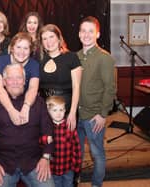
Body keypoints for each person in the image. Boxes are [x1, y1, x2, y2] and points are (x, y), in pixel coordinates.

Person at [0, 63, 55, 187]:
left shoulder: (38, 102)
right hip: (4, 163)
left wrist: (46, 158)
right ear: (4, 82)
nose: (15, 82)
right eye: (10, 78)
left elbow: (49, 131)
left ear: (24, 81)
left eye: (19, 77)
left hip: (33, 162)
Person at [77, 16, 116, 187]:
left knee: (97, 153)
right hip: (76, 115)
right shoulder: (75, 56)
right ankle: (74, 180)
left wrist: (103, 114)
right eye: (83, 31)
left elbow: (110, 88)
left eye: (90, 31)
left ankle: (96, 184)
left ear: (98, 34)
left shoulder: (104, 58)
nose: (86, 34)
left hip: (94, 116)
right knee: (76, 153)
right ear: (79, 34)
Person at [39, 24, 82, 131]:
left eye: (51, 37)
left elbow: (76, 87)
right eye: (44, 39)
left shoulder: (71, 57)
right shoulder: (40, 61)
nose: (49, 42)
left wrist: (72, 113)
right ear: (42, 43)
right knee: (48, 144)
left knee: (65, 146)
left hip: (65, 110)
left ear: (59, 38)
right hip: (46, 110)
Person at [0, 32, 39, 125]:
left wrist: (26, 107)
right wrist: (11, 110)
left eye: (26, 48)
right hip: (3, 101)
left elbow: (33, 88)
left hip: (25, 101)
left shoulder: (34, 64)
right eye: (18, 47)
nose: (21, 52)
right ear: (12, 48)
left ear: (30, 51)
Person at [41, 96, 82, 187]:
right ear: (48, 111)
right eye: (54, 110)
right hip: (53, 168)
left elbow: (76, 148)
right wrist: (45, 139)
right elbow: (39, 142)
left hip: (68, 167)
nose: (58, 113)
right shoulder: (46, 128)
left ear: (65, 111)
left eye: (61, 110)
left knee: (68, 184)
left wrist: (76, 165)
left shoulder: (69, 127)